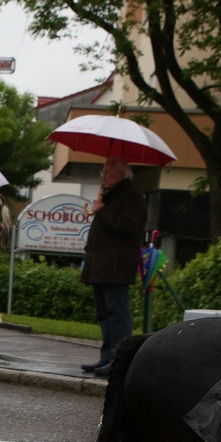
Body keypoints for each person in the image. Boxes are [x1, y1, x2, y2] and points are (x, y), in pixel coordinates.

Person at [80, 156, 148, 377]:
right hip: (102, 266)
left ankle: (119, 359)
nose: (103, 177)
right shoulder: (112, 196)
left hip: (115, 266)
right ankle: (107, 356)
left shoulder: (132, 198)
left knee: (117, 313)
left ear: (121, 175)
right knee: (105, 313)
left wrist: (102, 210)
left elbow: (128, 228)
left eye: (107, 172)